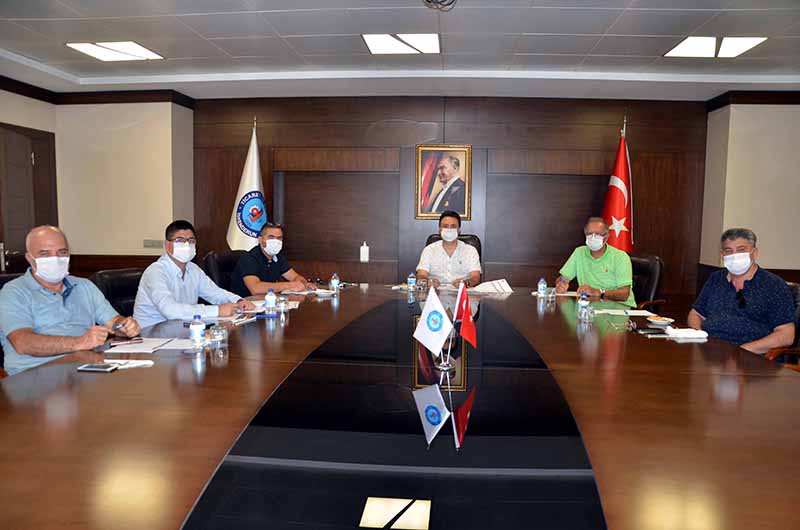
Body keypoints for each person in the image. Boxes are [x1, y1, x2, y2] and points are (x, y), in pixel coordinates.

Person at [0, 226, 140, 375]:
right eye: (45, 254)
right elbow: (22, 342)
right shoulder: (14, 292)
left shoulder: (84, 286)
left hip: (85, 370)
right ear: (29, 258)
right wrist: (80, 342)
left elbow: (113, 321)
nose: (55, 259)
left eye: (62, 252)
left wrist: (124, 326)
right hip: (34, 375)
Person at [688, 228, 795, 354]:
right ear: (722, 255)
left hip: (752, 356)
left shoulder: (774, 285)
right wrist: (699, 337)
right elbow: (695, 314)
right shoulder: (716, 279)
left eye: (741, 250)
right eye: (729, 251)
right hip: (710, 352)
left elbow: (786, 335)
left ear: (754, 253)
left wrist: (742, 351)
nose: (735, 256)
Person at [133, 220, 255, 328]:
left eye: (191, 241)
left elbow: (215, 293)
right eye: (180, 240)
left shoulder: (193, 269)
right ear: (167, 245)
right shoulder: (155, 272)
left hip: (180, 331)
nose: (187, 245)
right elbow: (170, 310)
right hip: (150, 337)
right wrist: (217, 311)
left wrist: (239, 301)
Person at [555, 216, 636, 307]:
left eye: (597, 234)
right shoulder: (579, 252)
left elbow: (624, 294)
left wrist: (599, 292)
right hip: (591, 306)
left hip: (619, 308)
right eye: (590, 234)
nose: (593, 237)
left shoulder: (620, 257)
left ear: (606, 236)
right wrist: (561, 283)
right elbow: (563, 278)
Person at [229, 223, 315, 298]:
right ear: (260, 240)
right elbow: (255, 289)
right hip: (245, 304)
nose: (276, 241)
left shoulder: (278, 257)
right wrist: (288, 285)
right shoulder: (249, 258)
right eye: (271, 237)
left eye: (279, 238)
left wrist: (304, 284)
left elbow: (295, 277)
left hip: (267, 302)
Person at [416, 210, 481, 289]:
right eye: (445, 226)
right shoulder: (429, 250)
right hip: (435, 292)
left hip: (463, 292)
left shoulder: (470, 251)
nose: (449, 230)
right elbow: (421, 275)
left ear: (459, 230)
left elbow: (476, 278)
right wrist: (428, 282)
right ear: (440, 230)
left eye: (453, 226)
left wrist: (465, 283)